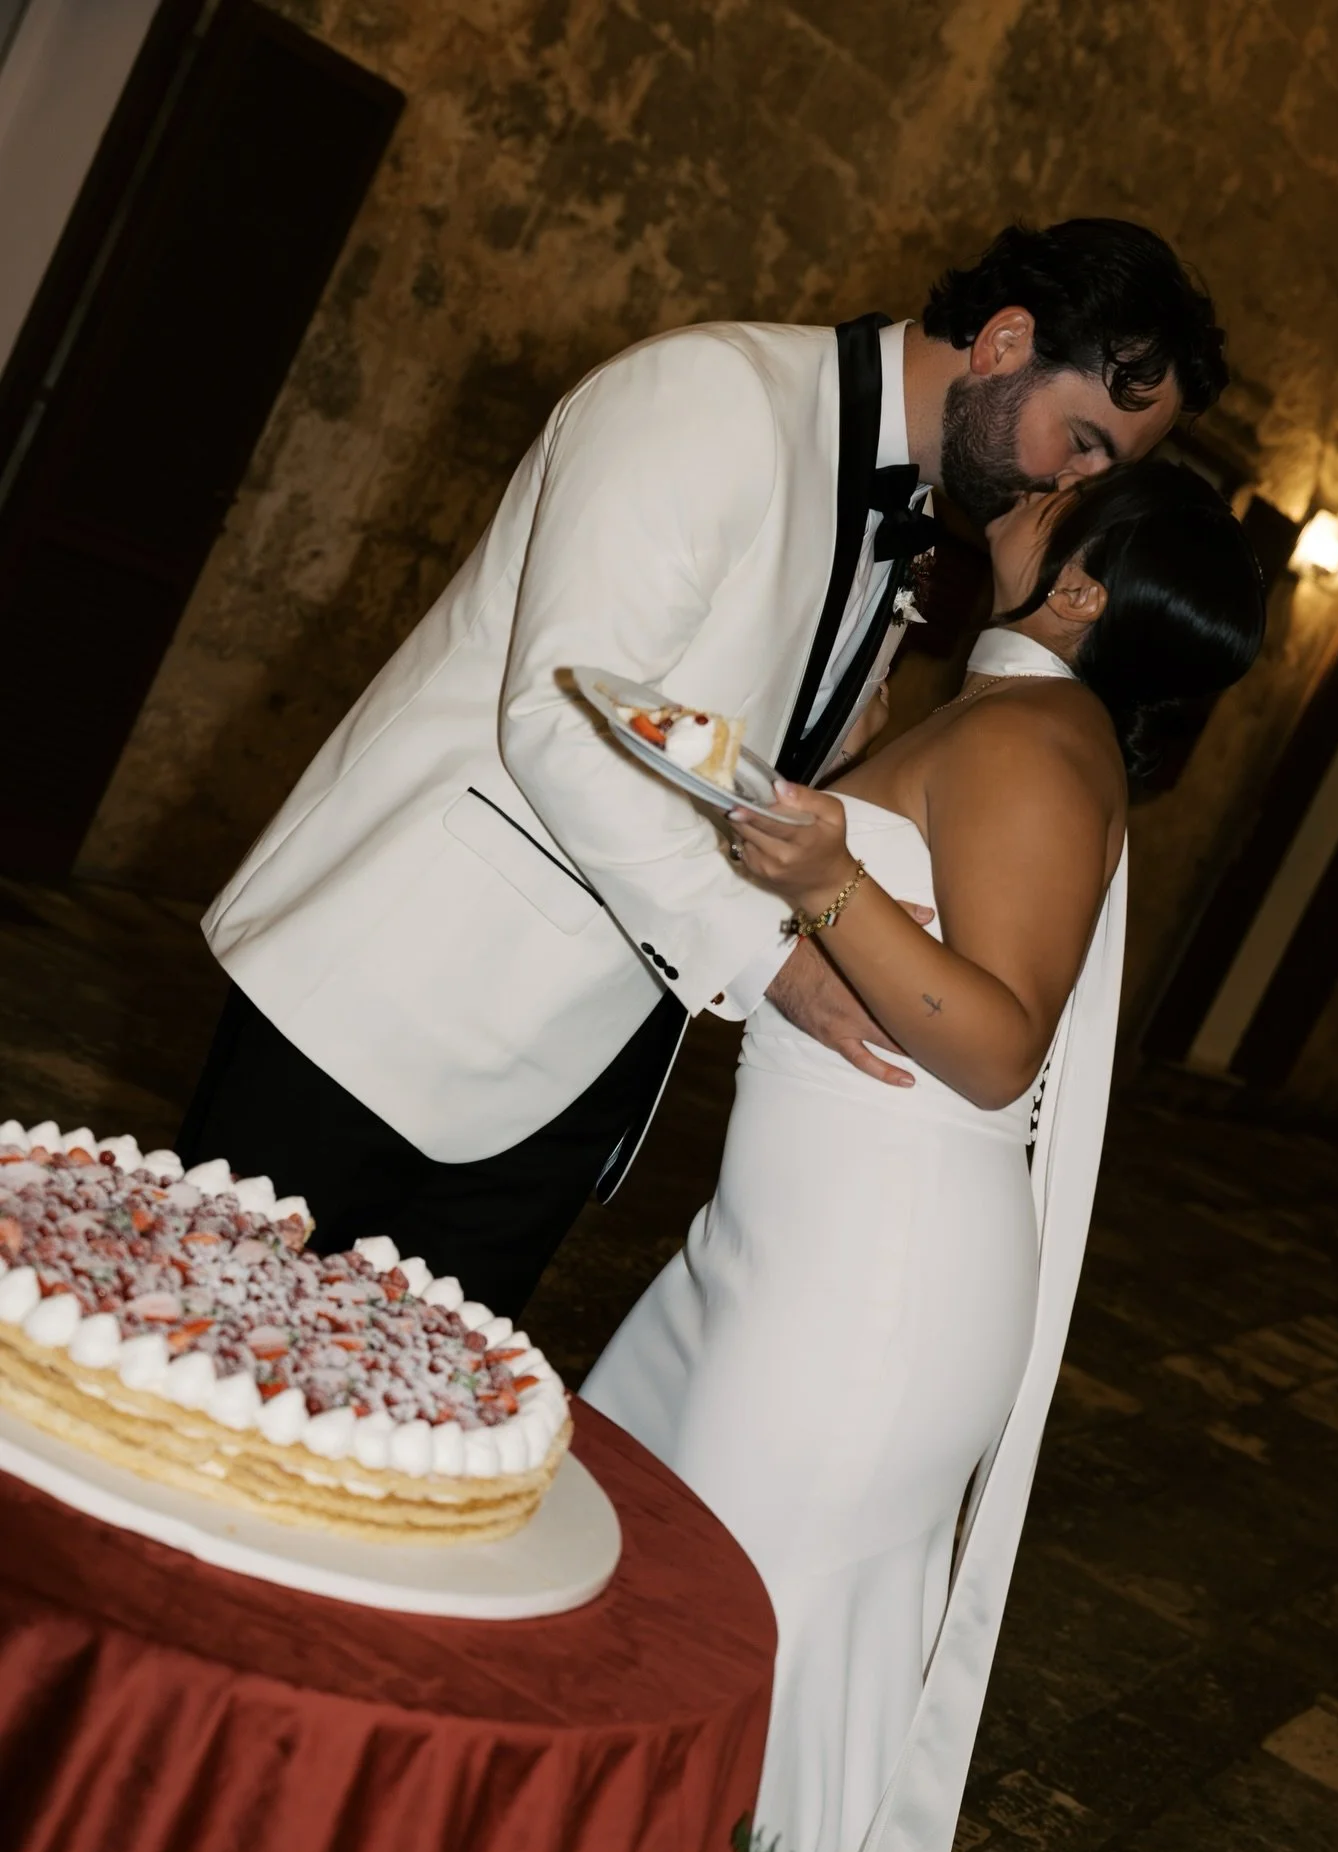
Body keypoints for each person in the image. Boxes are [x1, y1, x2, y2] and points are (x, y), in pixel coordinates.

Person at [175, 219, 1227, 1320]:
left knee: (386, 1464)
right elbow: (565, 710)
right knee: (181, 1389)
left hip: (565, 1075)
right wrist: (777, 960)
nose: (1076, 482)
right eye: (1086, 440)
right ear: (1006, 342)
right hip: (393, 1014)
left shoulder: (905, 520)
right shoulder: (715, 397)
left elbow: (712, 752)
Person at [582, 460, 1268, 1852]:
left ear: (1083, 584)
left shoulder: (1032, 737)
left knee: (715, 1658)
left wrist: (830, 877)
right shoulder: (1019, 719)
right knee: (692, 1622)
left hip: (862, 1289)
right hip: (799, 1253)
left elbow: (1000, 1041)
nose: (1042, 484)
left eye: (1079, 490)